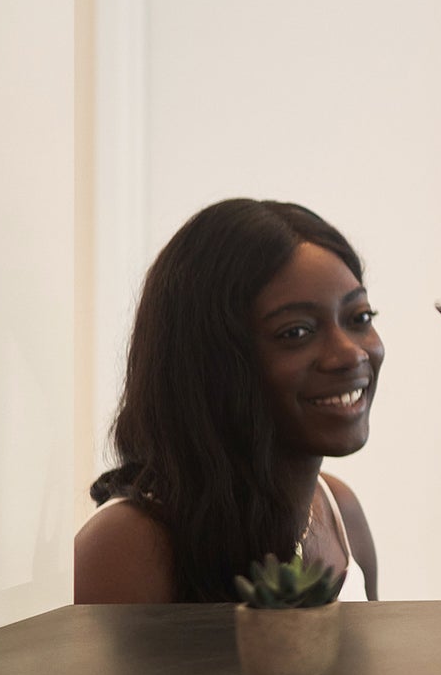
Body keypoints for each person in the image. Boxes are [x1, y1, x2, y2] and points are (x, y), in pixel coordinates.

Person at [76, 198, 383, 604]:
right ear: (211, 361)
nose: (351, 354)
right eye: (296, 332)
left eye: (359, 318)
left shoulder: (339, 512)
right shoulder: (127, 545)